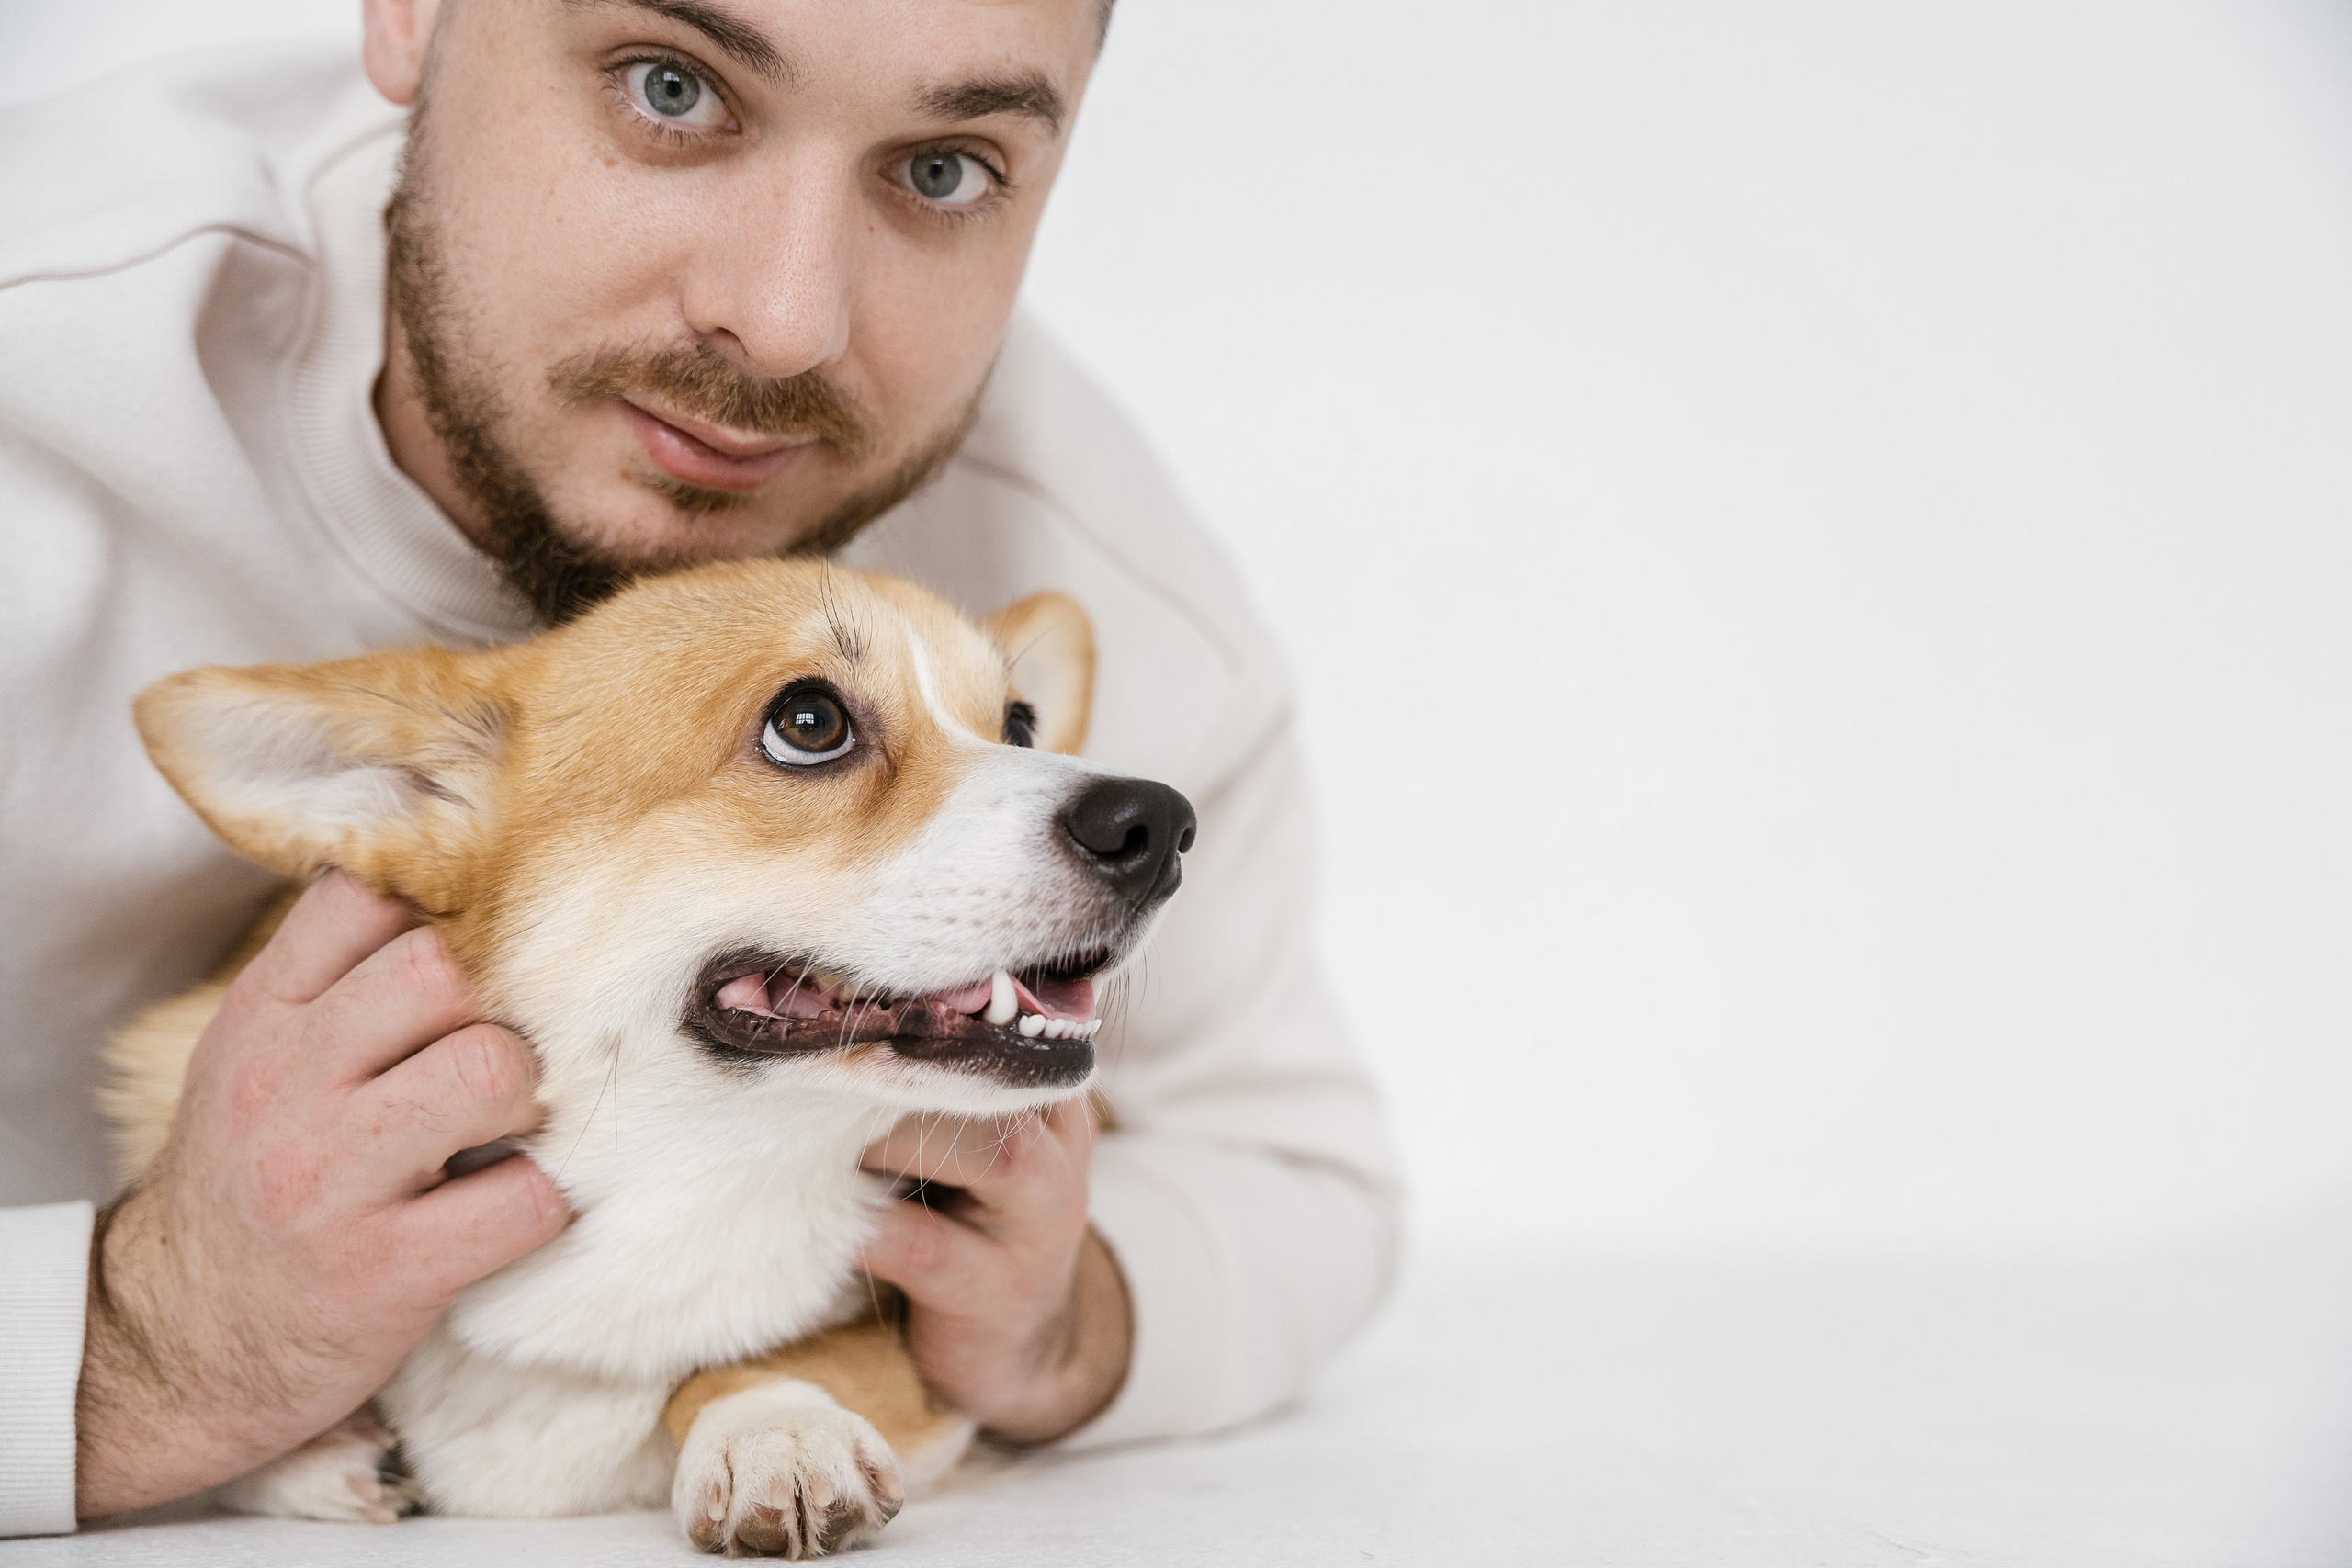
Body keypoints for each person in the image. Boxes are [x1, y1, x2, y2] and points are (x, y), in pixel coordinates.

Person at [0, 0, 1399, 1536]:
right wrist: (127, 1352)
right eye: (671, 89)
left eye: (943, 169)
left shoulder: (1105, 556)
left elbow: (1303, 1174)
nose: (785, 319)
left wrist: (1064, 1322)